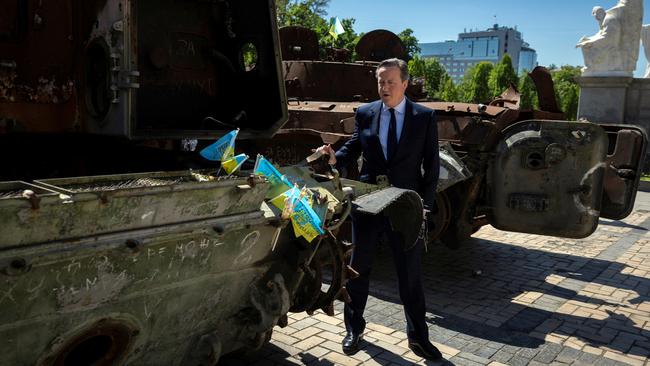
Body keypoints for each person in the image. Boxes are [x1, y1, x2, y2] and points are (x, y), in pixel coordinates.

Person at [317, 58, 441, 360]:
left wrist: (424, 206)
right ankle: (354, 329)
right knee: (358, 270)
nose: (384, 88)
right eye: (380, 82)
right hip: (368, 205)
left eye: (390, 82)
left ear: (405, 84)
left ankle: (418, 338)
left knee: (409, 276)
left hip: (405, 208)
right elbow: (355, 147)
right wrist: (334, 158)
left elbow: (432, 167)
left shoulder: (424, 117)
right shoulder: (366, 113)